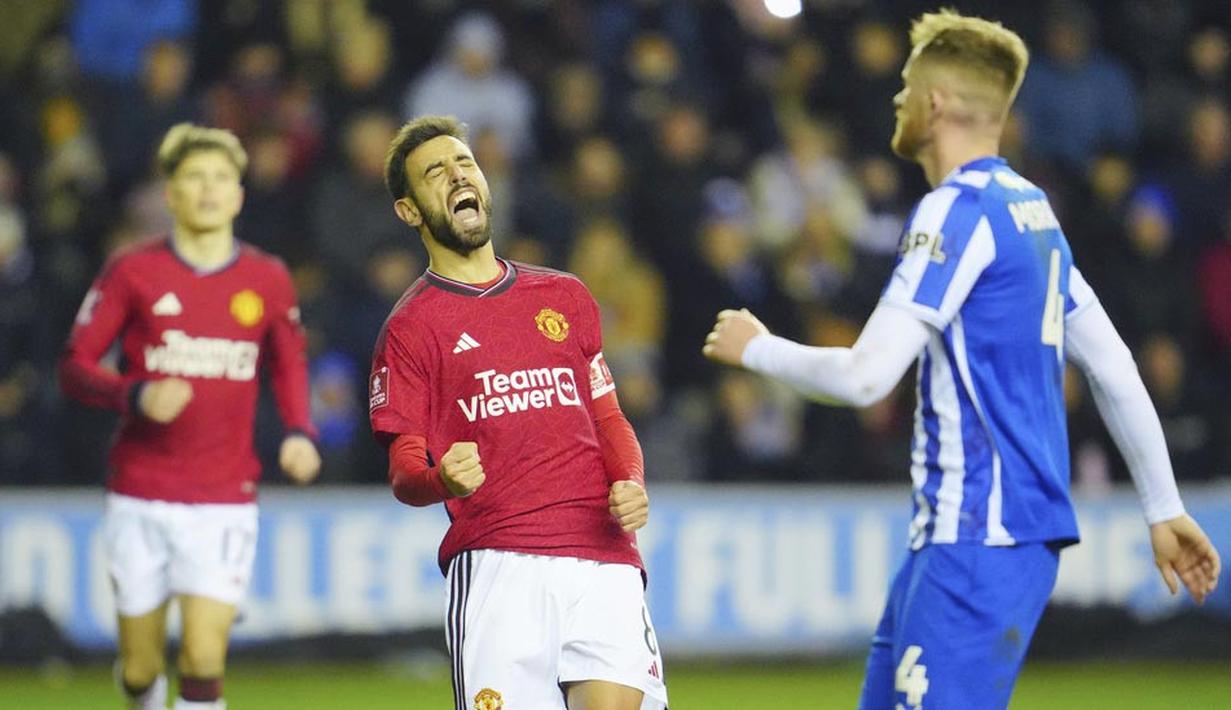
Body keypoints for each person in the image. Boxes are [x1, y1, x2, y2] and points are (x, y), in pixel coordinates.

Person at [702, 10, 1220, 710]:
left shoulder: (955, 211)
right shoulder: (1030, 211)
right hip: (965, 540)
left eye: (906, 88)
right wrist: (1161, 507)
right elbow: (1113, 365)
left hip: (977, 536)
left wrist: (757, 348)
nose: (895, 101)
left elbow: (864, 378)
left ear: (936, 102)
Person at [370, 115, 668, 710]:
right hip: (499, 564)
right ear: (409, 211)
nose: (458, 176)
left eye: (465, 164)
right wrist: (442, 479)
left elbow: (608, 419)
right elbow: (405, 470)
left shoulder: (564, 296)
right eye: (436, 172)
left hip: (601, 554)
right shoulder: (410, 328)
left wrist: (631, 482)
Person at [59, 123, 321, 710]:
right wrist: (135, 394)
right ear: (171, 195)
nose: (208, 189)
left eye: (221, 178)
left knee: (204, 661)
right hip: (141, 492)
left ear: (239, 195)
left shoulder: (268, 278)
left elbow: (288, 366)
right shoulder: (132, 272)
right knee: (139, 668)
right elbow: (74, 365)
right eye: (193, 178)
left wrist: (301, 431)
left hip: (225, 494)